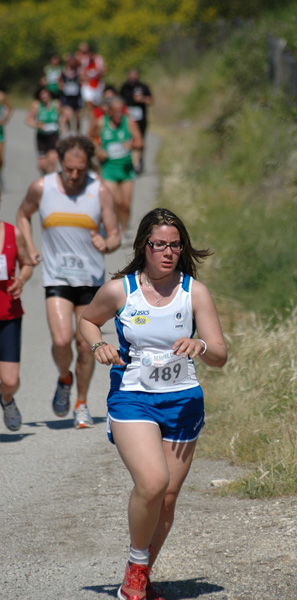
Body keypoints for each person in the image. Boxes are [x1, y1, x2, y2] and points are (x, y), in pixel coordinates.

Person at [79, 207, 227, 600]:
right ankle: (136, 567)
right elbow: (87, 319)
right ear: (144, 245)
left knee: (168, 498)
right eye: (159, 244)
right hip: (133, 399)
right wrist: (99, 344)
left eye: (175, 245)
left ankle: (138, 575)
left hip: (182, 401)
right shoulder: (120, 290)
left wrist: (202, 345)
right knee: (152, 482)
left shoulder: (194, 292)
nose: (167, 252)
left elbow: (220, 355)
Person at [16, 135, 120, 430]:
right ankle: (65, 377)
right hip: (57, 276)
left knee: (84, 345)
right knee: (62, 341)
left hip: (90, 279)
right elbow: (23, 215)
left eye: (81, 169)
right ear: (60, 162)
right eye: (69, 168)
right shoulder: (42, 187)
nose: (75, 175)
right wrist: (28, 248)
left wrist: (106, 243)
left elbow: (114, 234)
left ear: (89, 165)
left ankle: (82, 404)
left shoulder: (99, 190)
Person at [89, 97, 143, 234]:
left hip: (126, 169)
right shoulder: (101, 122)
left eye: (121, 111)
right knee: (113, 202)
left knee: (125, 205)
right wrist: (98, 151)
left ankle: (123, 231)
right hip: (108, 169)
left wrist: (132, 145)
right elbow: (90, 139)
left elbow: (141, 143)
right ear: (109, 112)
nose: (119, 114)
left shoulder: (129, 122)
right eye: (116, 111)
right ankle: (115, 229)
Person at [0, 207, 33, 432]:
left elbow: (28, 263)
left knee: (10, 381)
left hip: (8, 313)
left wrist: (21, 279)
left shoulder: (13, 233)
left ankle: (7, 399)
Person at [120, 69, 152, 174]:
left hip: (141, 120)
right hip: (128, 120)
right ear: (127, 75)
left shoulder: (143, 87)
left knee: (140, 142)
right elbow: (118, 102)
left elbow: (150, 100)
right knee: (128, 141)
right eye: (131, 74)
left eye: (135, 74)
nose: (133, 76)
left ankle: (140, 162)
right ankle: (130, 163)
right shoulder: (124, 87)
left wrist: (142, 99)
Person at [25, 86, 63, 174]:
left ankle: (51, 182)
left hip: (54, 135)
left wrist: (61, 125)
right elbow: (28, 120)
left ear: (49, 94)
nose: (44, 96)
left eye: (46, 94)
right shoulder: (36, 105)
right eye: (41, 94)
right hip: (42, 137)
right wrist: (38, 125)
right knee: (42, 165)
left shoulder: (56, 104)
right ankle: (45, 176)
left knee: (52, 160)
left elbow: (62, 115)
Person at [79, 43, 106, 115]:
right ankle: (91, 119)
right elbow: (82, 73)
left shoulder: (99, 59)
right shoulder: (84, 60)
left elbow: (103, 71)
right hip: (88, 85)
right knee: (89, 104)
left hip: (97, 85)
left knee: (97, 106)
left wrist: (99, 72)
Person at [59, 54, 83, 133]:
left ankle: (78, 132)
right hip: (67, 97)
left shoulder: (79, 71)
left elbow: (85, 79)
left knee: (78, 118)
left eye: (74, 62)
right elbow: (59, 81)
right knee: (67, 115)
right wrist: (61, 86)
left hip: (76, 97)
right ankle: (69, 130)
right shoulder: (63, 71)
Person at [0, 90, 13, 188]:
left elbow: (10, 108)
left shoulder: (1, 96)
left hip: (0, 133)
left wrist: (5, 119)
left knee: (0, 159)